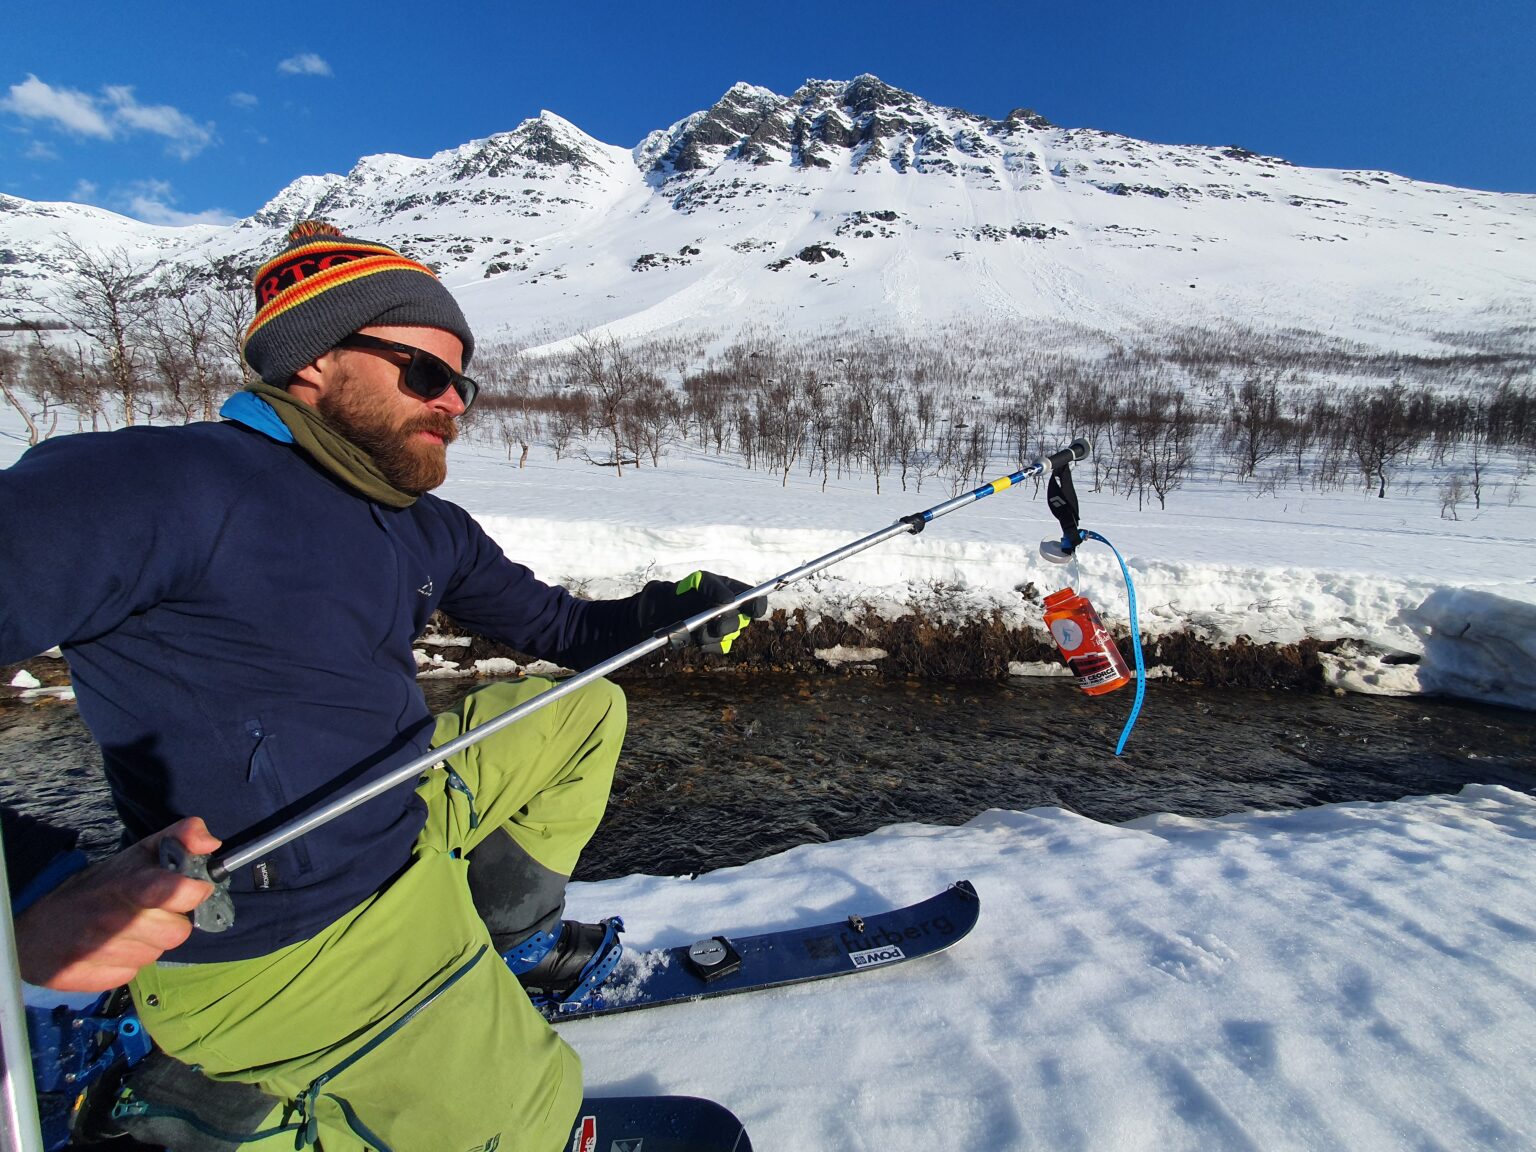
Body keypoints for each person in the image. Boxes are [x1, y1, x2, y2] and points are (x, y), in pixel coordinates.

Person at [0, 221, 765, 1150]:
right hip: (287, 940)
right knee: (532, 1122)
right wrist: (32, 894)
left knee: (586, 711)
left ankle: (504, 945)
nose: (454, 404)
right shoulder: (156, 484)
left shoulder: (420, 524)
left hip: (404, 812)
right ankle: (225, 1101)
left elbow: (567, 634)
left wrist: (668, 606)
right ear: (313, 363)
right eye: (422, 373)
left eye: (462, 384)